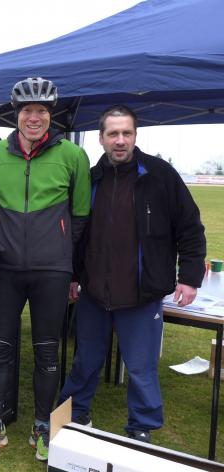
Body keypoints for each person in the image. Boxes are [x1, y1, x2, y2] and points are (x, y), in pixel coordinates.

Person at [59, 105, 205, 443]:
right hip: (95, 293)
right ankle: (73, 415)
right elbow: (79, 234)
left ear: (135, 136)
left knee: (141, 368)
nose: (120, 140)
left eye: (126, 133)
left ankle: (142, 426)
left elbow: (190, 228)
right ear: (101, 138)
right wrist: (74, 276)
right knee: (85, 361)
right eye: (113, 134)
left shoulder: (160, 175)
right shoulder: (91, 179)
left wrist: (189, 277)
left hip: (141, 293)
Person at [0, 77, 91, 462]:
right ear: (16, 114)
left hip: (51, 270)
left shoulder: (73, 156)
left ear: (51, 114)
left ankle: (42, 424)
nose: (34, 117)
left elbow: (80, 216)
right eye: (27, 111)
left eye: (41, 110)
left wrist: (66, 258)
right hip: (5, 268)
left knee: (47, 350)